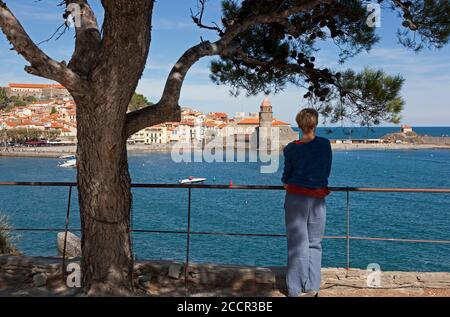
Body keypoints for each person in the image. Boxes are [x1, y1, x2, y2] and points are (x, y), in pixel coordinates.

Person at [281, 108, 332, 297]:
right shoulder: (325, 145)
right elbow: (326, 171)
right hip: (318, 198)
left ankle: (295, 289)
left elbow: (286, 178)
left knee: (297, 243)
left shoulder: (291, 148)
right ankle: (313, 288)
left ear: (299, 124)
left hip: (296, 198)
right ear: (315, 123)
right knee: (315, 243)